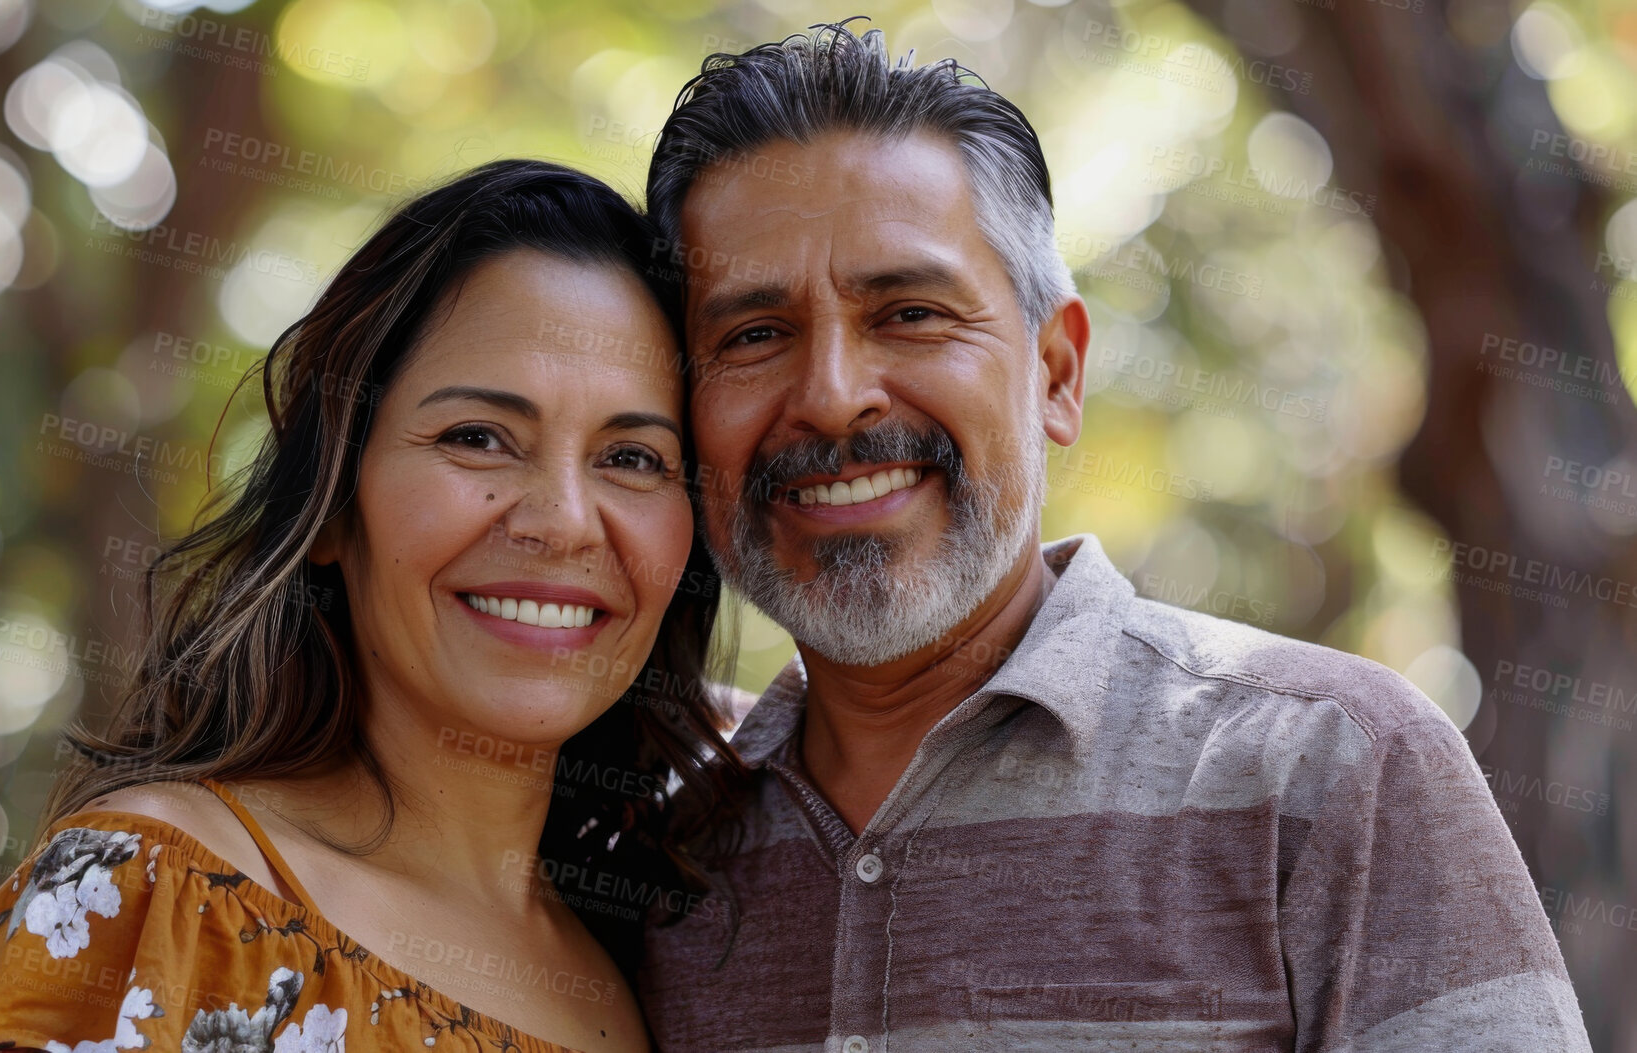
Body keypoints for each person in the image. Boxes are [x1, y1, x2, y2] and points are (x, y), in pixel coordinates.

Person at [636, 21, 1591, 1052]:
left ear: (1055, 373)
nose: (830, 397)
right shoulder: (657, 858)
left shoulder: (1330, 769)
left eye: (910, 313)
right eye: (754, 335)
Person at [0, 160, 742, 1053]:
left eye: (633, 457)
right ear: (332, 503)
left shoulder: (669, 978)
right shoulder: (157, 895)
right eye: (478, 438)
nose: (564, 523)